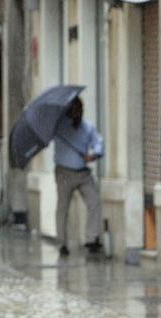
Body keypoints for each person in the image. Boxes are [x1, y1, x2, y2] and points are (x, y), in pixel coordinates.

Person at [53, 97, 104, 256]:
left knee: (94, 202)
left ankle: (91, 239)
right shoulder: (59, 127)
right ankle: (61, 243)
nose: (76, 113)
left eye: (79, 110)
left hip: (83, 173)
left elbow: (98, 143)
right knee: (63, 208)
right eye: (73, 110)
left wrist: (93, 155)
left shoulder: (87, 127)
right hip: (64, 173)